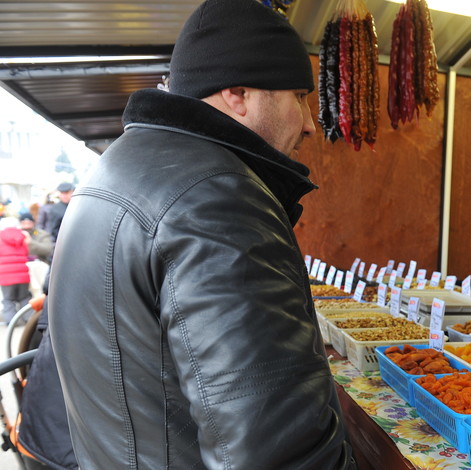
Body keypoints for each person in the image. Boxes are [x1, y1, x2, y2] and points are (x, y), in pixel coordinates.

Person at [47, 0, 355, 468]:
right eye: (299, 95)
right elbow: (275, 450)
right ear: (237, 92)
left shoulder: (112, 170)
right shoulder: (218, 199)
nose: (311, 122)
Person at [0, 217, 32, 325]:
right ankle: (29, 320)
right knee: (24, 297)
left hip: (5, 276)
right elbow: (26, 253)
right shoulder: (21, 236)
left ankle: (11, 322)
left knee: (8, 300)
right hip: (23, 274)